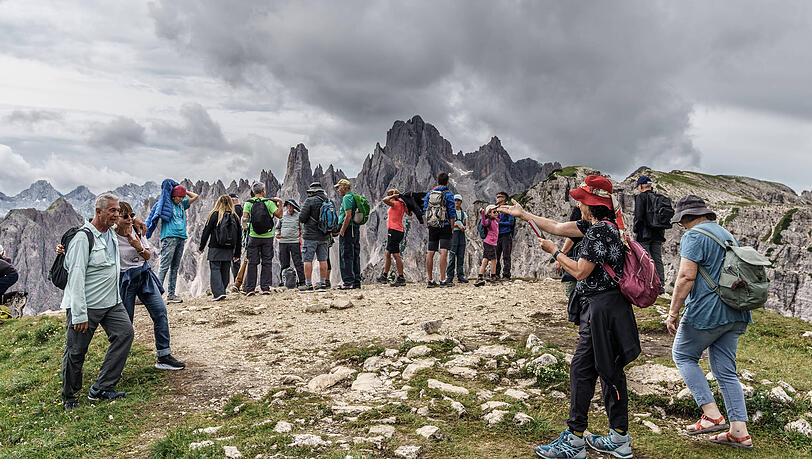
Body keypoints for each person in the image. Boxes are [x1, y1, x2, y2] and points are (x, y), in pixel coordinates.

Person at [499, 175, 640, 459]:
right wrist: (523, 214)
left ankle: (588, 440)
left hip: (602, 311)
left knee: (600, 371)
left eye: (581, 199)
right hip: (606, 308)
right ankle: (601, 437)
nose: (578, 202)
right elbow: (556, 226)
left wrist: (553, 252)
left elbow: (579, 272)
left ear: (591, 204)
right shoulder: (601, 226)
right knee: (588, 369)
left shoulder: (599, 232)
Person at [665, 195, 753, 450]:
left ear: (686, 218)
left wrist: (672, 313)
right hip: (735, 311)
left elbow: (685, 277)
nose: (681, 227)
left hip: (708, 311)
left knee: (682, 354)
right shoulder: (726, 234)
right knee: (725, 371)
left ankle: (711, 414)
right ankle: (739, 432)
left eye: (681, 222)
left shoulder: (693, 236)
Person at [60, 193, 134, 411]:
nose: (116, 215)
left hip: (112, 302)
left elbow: (126, 225)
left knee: (125, 334)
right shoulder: (83, 239)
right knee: (76, 351)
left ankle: (101, 388)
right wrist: (80, 314)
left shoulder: (110, 232)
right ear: (98, 211)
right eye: (112, 210)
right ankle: (69, 396)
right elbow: (75, 277)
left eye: (117, 211)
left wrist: (135, 221)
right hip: (87, 305)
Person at [157, 185, 199, 303]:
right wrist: (172, 190)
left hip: (181, 237)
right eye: (178, 197)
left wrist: (184, 192)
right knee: (164, 267)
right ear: (173, 196)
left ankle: (171, 295)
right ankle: (156, 296)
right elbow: (162, 199)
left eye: (182, 197)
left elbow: (195, 196)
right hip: (169, 237)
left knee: (174, 267)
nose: (180, 199)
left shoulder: (182, 204)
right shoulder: (167, 204)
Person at [242, 182, 283, 296]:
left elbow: (244, 219)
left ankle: (250, 289)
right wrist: (280, 203)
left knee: (252, 263)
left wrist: (246, 229)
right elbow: (279, 216)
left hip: (253, 236)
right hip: (267, 237)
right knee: (267, 262)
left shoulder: (248, 203)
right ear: (263, 191)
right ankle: (265, 288)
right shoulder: (269, 202)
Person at [199, 195, 242, 301]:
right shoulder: (234, 216)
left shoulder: (214, 215)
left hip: (215, 248)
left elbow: (206, 231)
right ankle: (222, 290)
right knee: (225, 269)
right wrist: (237, 253)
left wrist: (202, 246)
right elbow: (239, 236)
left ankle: (218, 293)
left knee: (215, 269)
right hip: (229, 249)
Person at [633, 176, 666, 294]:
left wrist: (635, 230)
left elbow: (638, 216)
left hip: (644, 234)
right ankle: (660, 287)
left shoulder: (641, 197)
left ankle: (649, 286)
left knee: (646, 260)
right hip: (658, 234)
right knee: (657, 259)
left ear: (641, 186)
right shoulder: (659, 198)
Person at [423, 172, 456, 288]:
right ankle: (443, 280)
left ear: (437, 181)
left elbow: (425, 209)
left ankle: (430, 280)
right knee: (443, 252)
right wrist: (452, 226)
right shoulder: (448, 194)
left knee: (430, 252)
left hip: (432, 225)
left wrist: (429, 223)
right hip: (445, 225)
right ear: (447, 182)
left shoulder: (429, 194)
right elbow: (452, 211)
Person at [298, 182, 331, 291]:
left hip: (310, 236)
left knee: (307, 260)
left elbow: (302, 218)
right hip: (324, 235)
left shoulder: (310, 201)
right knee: (323, 260)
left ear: (313, 191)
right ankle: (322, 283)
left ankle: (308, 285)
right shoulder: (328, 201)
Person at [379, 188, 411, 286]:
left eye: (390, 195)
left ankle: (401, 277)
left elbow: (384, 200)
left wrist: (393, 196)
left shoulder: (395, 204)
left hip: (394, 231)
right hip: (398, 231)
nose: (390, 197)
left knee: (396, 254)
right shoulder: (402, 205)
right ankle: (384, 276)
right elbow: (409, 213)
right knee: (388, 252)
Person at [335, 178, 361, 290]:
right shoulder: (353, 197)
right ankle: (356, 282)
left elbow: (348, 215)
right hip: (354, 229)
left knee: (346, 255)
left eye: (339, 187)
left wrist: (342, 230)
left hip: (348, 230)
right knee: (354, 255)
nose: (338, 190)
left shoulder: (347, 198)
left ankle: (348, 282)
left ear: (344, 187)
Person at [276, 199, 305, 287]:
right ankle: (283, 281)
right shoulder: (282, 216)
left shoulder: (298, 216)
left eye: (291, 206)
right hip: (283, 242)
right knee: (284, 263)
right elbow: (277, 228)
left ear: (294, 207)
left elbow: (302, 229)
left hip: (295, 242)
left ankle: (302, 281)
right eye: (288, 205)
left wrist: (303, 240)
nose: (289, 207)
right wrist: (277, 234)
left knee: (298, 262)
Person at [555, 206, 583, 299]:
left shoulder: (578, 210)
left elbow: (571, 236)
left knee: (572, 293)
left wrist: (560, 255)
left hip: (575, 260)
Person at [474, 205, 499, 287]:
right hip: (490, 243)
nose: (496, 213)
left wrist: (501, 210)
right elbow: (483, 223)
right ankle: (493, 276)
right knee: (494, 260)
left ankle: (480, 276)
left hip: (490, 243)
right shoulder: (489, 221)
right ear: (489, 213)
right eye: (494, 212)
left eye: (497, 211)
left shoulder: (495, 220)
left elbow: (499, 218)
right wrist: (482, 214)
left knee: (485, 260)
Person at [446, 194, 468, 284]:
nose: (456, 202)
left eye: (458, 200)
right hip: (453, 234)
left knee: (461, 256)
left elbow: (465, 223)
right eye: (455, 200)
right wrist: (458, 225)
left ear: (461, 202)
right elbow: (447, 223)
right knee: (452, 256)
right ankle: (449, 277)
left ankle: (460, 276)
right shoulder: (450, 212)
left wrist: (463, 227)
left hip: (461, 234)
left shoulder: (464, 214)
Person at [495, 191, 515, 280]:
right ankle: (496, 273)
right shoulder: (496, 209)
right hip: (497, 235)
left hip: (506, 235)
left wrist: (499, 223)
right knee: (496, 256)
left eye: (499, 196)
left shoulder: (509, 209)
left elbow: (511, 222)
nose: (497, 198)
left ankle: (506, 275)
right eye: (497, 196)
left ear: (504, 198)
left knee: (506, 255)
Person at [229, 193, 244, 284]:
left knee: (234, 262)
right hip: (239, 238)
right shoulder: (241, 209)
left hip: (232, 239)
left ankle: (236, 282)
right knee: (236, 261)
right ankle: (238, 282)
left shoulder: (234, 210)